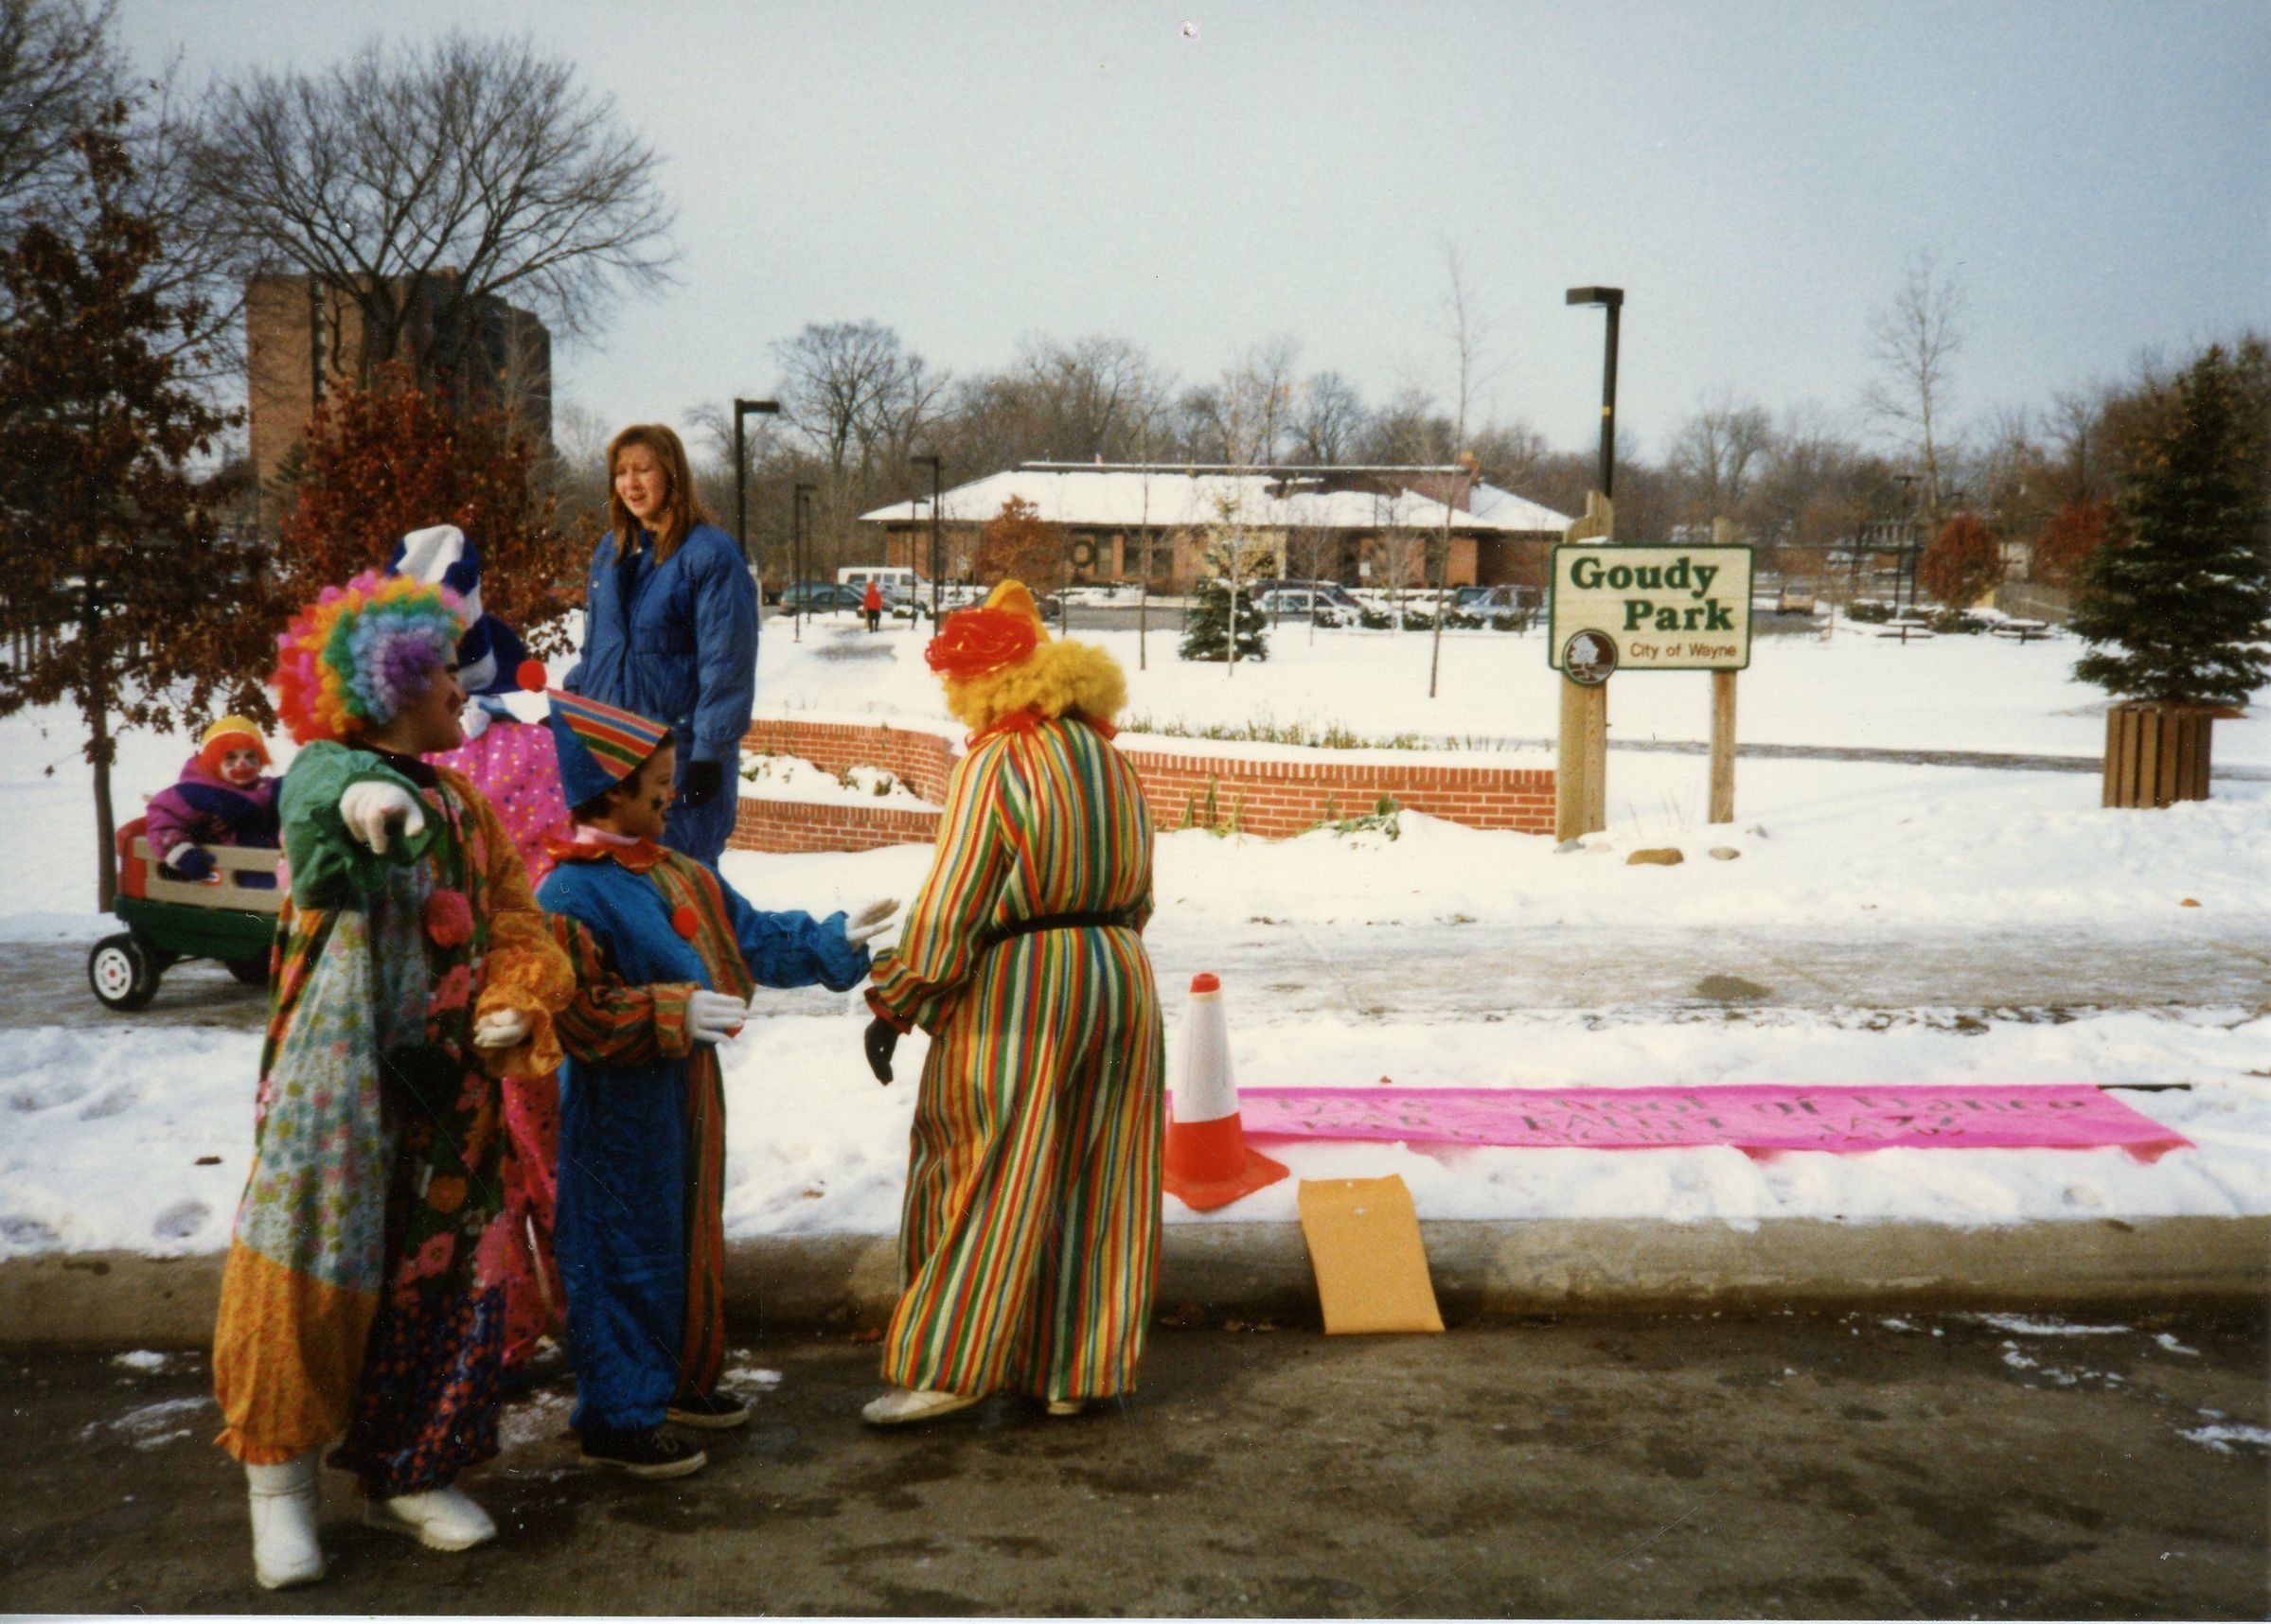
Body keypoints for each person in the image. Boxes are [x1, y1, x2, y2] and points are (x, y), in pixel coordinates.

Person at [210, 572, 574, 1590]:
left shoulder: (461, 802)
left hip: (449, 1083)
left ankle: (410, 1469)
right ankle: (279, 1489)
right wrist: (362, 800)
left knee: (444, 1270)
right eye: (445, 671)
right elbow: (313, 808)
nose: (462, 686)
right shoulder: (327, 773)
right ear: (388, 684)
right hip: (336, 1085)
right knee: (306, 1261)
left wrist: (518, 994)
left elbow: (519, 919)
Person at [535, 687, 896, 1476]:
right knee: (621, 1245)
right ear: (614, 791)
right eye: (659, 782)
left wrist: (835, 938)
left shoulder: (680, 872)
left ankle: (678, 1380)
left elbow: (753, 938)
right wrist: (668, 1012)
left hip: (689, 1093)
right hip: (616, 1105)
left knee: (687, 1236)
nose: (673, 793)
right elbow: (573, 1014)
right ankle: (618, 1416)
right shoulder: (566, 893)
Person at [858, 580, 1164, 1427]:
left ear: (984, 682)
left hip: (1025, 982)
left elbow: (954, 901)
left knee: (981, 1160)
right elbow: (1142, 886)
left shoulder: (997, 759)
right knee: (1100, 1173)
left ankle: (948, 1364)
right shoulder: (1108, 756)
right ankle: (1077, 1368)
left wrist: (898, 999)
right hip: (1121, 970)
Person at [388, 525, 576, 1379]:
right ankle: (579, 1320)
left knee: (485, 1173)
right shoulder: (533, 751)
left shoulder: (410, 770)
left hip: (467, 999)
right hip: (523, 989)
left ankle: (506, 1330)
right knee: (543, 1163)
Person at [564, 424, 755, 869]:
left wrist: (710, 753)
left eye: (643, 470)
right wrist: (573, 708)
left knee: (680, 887)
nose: (631, 483)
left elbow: (727, 665)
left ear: (671, 473)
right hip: (612, 763)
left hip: (677, 761)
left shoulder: (710, 555)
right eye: (621, 472)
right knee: (617, 891)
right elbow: (598, 654)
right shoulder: (611, 553)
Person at [147, 715, 281, 888]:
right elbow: (165, 818)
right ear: (213, 762)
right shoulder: (199, 792)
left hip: (272, 861)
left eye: (250, 756)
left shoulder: (266, 787)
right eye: (231, 758)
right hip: (231, 873)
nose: (242, 763)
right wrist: (182, 852)